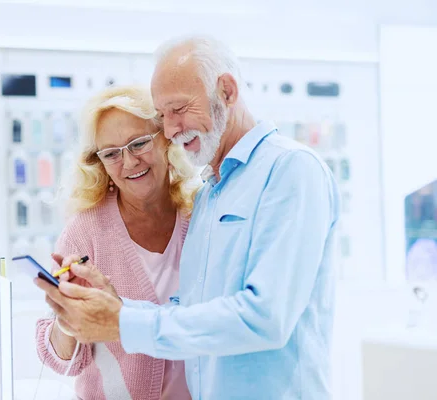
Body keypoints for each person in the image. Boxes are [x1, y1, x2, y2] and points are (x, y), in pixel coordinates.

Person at [37, 36, 341, 399]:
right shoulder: (211, 193)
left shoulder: (290, 170)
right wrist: (114, 307)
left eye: (179, 109)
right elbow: (191, 308)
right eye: (163, 116)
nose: (171, 129)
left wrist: (122, 320)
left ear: (227, 91)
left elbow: (264, 317)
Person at [34, 85, 197, 400]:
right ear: (100, 163)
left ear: (165, 138)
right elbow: (61, 358)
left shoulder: (200, 215)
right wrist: (68, 320)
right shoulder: (86, 229)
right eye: (111, 153)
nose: (130, 162)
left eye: (139, 144)